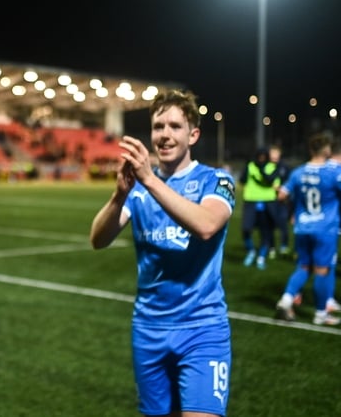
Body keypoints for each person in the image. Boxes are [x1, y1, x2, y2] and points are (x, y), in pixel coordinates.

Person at [89, 89, 235, 417]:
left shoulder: (217, 180)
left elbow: (207, 225)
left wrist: (150, 181)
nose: (165, 135)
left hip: (202, 328)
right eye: (158, 127)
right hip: (149, 328)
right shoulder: (138, 189)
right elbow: (98, 239)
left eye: (174, 126)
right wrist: (118, 196)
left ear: (193, 134)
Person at [273, 134, 341, 325]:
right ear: (327, 151)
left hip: (303, 226)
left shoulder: (298, 172)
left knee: (303, 266)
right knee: (321, 271)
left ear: (311, 150)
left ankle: (285, 301)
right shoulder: (333, 173)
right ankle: (320, 314)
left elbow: (282, 195)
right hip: (324, 228)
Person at [239, 147, 277, 269]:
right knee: (246, 229)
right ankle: (251, 251)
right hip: (251, 201)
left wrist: (262, 171)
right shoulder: (250, 166)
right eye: (259, 157)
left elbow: (272, 181)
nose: (261, 159)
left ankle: (261, 257)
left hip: (268, 202)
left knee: (266, 231)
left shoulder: (272, 167)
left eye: (263, 157)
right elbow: (242, 180)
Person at [265, 144, 291, 259]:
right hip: (269, 199)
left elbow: (290, 181)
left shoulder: (284, 167)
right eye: (272, 153)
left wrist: (283, 190)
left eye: (276, 153)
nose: (274, 156)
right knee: (270, 225)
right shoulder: (265, 166)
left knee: (283, 224)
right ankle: (271, 248)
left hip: (282, 200)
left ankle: (284, 246)